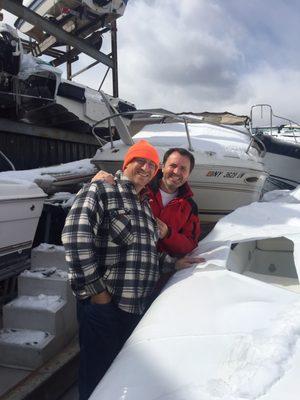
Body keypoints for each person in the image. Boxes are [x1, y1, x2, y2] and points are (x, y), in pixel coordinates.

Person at [62, 140, 202, 400]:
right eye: (141, 161)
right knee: (96, 374)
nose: (146, 168)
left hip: (135, 308)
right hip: (105, 306)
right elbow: (75, 237)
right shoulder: (102, 191)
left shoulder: (144, 206)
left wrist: (173, 264)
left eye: (151, 164)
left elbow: (146, 253)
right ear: (127, 163)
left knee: (119, 373)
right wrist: (97, 294)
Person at [93, 147, 201, 257]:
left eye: (183, 169)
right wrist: (101, 181)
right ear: (162, 167)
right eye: (173, 166)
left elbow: (190, 244)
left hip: (163, 266)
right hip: (123, 261)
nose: (176, 171)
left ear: (188, 175)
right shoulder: (141, 188)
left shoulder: (190, 206)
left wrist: (168, 234)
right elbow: (124, 181)